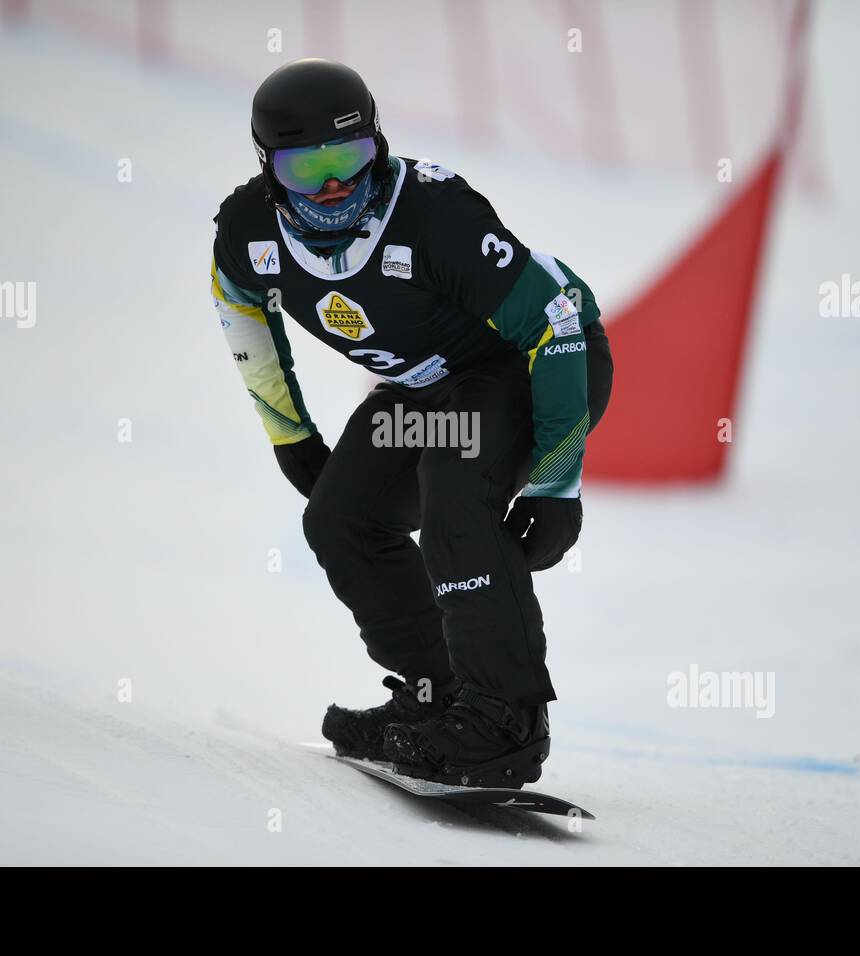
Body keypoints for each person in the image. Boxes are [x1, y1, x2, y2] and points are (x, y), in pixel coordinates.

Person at [211, 58, 612, 787]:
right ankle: (440, 697)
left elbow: (557, 326)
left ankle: (506, 722)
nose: (335, 186)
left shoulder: (435, 215)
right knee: (343, 518)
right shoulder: (247, 229)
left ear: (380, 145)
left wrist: (556, 484)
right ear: (269, 168)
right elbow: (239, 305)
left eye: (353, 159)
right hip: (427, 389)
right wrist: (290, 434)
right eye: (310, 168)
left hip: (531, 369)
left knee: (457, 498)